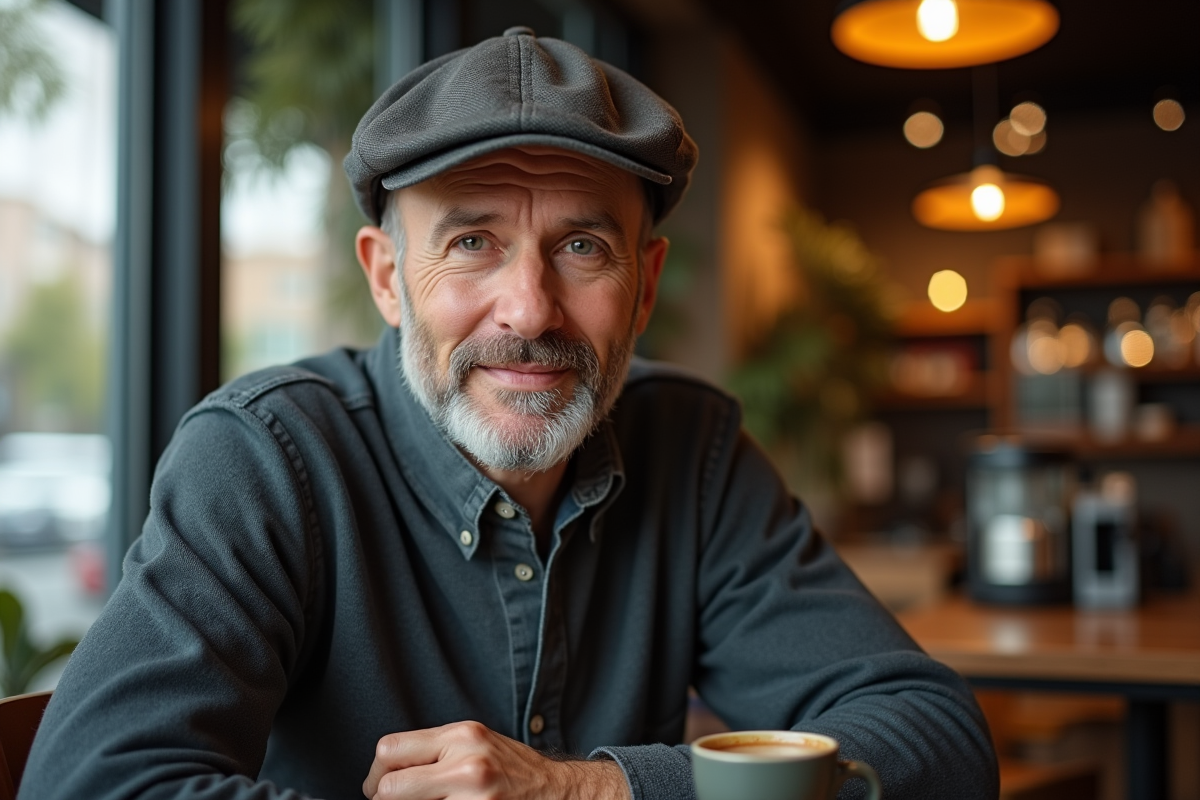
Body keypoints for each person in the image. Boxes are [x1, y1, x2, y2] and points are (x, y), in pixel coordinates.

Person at [21, 26, 997, 800]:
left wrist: (599, 789)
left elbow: (938, 744)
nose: (529, 310)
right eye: (473, 241)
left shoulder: (693, 449)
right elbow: (93, 782)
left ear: (645, 286)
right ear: (388, 275)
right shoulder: (267, 457)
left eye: (581, 248)